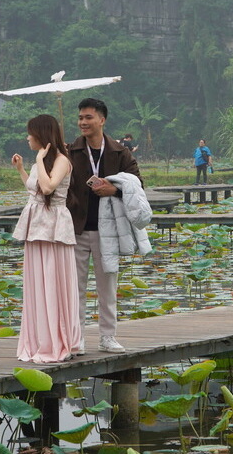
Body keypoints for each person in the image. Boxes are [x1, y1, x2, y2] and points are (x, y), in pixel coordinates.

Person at [68, 98, 143, 353]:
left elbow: (137, 184)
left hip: (107, 230)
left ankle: (107, 337)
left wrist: (113, 189)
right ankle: (75, 339)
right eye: (80, 118)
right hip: (76, 228)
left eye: (88, 117)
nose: (83, 123)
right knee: (74, 287)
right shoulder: (70, 151)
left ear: (102, 119)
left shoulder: (120, 153)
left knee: (108, 285)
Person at [11, 114, 81, 363]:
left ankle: (57, 340)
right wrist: (22, 170)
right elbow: (35, 189)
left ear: (42, 135)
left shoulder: (62, 160)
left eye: (31, 133)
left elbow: (49, 187)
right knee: (37, 283)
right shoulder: (38, 163)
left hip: (53, 228)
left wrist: (40, 160)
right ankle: (39, 338)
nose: (28, 137)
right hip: (36, 226)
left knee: (52, 281)